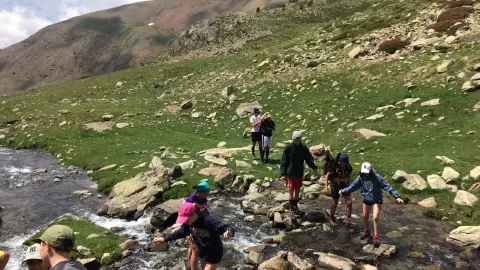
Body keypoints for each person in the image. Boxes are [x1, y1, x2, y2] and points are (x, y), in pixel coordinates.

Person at [153, 202, 234, 270]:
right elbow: (180, 232)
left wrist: (229, 231)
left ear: (193, 215)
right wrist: (164, 239)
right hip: (203, 251)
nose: (185, 222)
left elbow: (224, 227)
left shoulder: (208, 220)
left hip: (214, 252)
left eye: (186, 219)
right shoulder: (188, 223)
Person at [340, 162, 404, 247]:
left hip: (376, 200)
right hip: (366, 199)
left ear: (370, 170)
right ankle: (367, 231)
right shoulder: (361, 177)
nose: (365, 173)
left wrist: (396, 197)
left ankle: (376, 237)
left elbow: (387, 186)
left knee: (375, 217)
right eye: (364, 171)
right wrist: (345, 191)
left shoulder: (376, 177)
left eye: (367, 171)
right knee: (365, 216)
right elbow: (353, 186)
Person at [280, 131, 318, 216]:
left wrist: (314, 168)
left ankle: (295, 208)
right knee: (291, 191)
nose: (296, 141)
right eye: (295, 140)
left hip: (299, 173)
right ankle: (291, 209)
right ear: (293, 139)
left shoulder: (303, 147)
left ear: (300, 139)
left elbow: (309, 159)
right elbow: (284, 161)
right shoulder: (288, 148)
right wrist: (283, 173)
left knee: (297, 191)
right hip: (290, 173)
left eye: (297, 140)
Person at [185, 179, 211, 270]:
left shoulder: (204, 199)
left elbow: (203, 211)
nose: (208, 194)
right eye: (207, 192)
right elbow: (186, 217)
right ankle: (192, 267)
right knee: (196, 250)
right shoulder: (191, 199)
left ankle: (189, 264)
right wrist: (189, 232)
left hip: (197, 224)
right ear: (201, 192)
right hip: (190, 225)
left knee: (193, 247)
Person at [323, 153, 353, 224]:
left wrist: (349, 183)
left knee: (349, 202)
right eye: (343, 163)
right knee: (335, 202)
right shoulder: (334, 167)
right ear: (339, 161)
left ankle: (349, 220)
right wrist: (326, 186)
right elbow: (327, 176)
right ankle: (332, 217)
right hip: (335, 185)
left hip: (344, 185)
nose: (344, 165)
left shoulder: (348, 166)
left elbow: (349, 174)